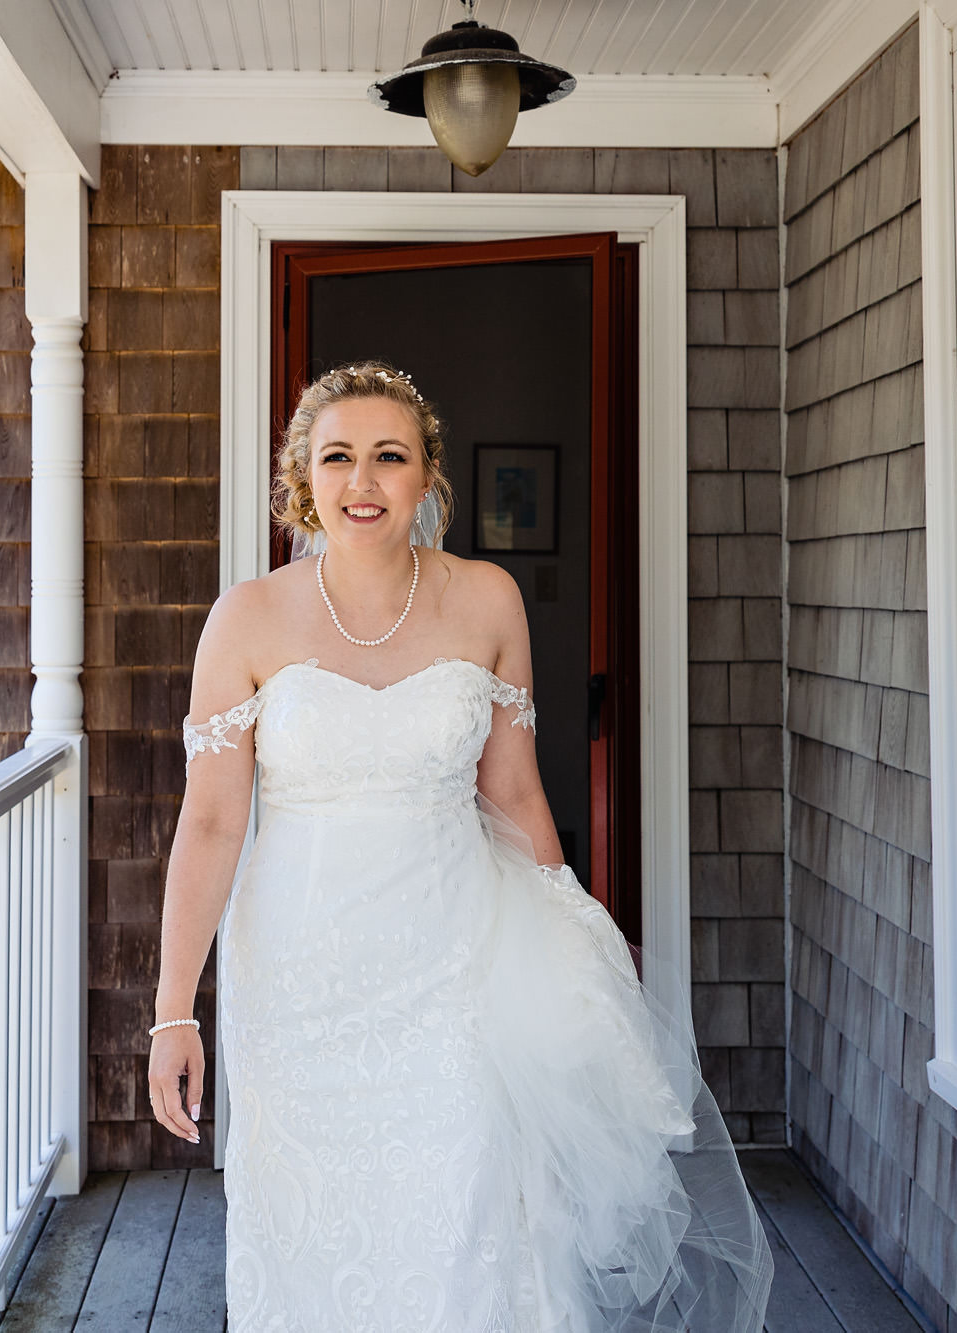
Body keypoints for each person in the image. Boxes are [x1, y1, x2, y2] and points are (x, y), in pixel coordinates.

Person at [148, 359, 773, 1331]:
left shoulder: (486, 600)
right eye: (337, 457)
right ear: (299, 479)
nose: (362, 480)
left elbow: (514, 787)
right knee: (312, 1227)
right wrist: (171, 1011)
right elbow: (213, 819)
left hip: (455, 962)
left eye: (388, 456)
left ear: (427, 478)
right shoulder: (248, 617)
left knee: (472, 1204)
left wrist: (575, 939)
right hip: (300, 979)